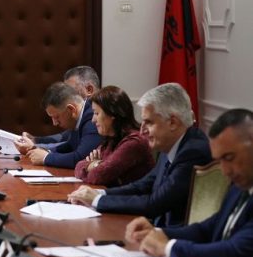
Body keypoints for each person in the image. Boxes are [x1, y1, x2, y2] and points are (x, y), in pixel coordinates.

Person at [125, 108, 253, 257]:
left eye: (229, 158)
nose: (225, 171)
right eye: (219, 161)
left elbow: (234, 252)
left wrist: (168, 247)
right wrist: (159, 233)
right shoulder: (240, 186)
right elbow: (209, 228)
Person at [68, 83, 211, 227]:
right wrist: (99, 194)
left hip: (173, 234)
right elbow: (142, 186)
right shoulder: (171, 144)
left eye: (149, 122)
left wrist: (96, 200)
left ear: (172, 122)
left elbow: (155, 203)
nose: (142, 131)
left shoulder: (193, 152)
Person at [73, 86, 154, 186]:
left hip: (131, 196)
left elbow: (98, 176)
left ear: (112, 114)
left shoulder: (134, 142)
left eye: (97, 113)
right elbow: (78, 166)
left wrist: (93, 166)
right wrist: (95, 164)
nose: (93, 120)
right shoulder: (111, 139)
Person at [15, 82, 101, 168]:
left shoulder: (92, 120)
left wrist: (46, 158)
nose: (54, 123)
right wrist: (39, 151)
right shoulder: (80, 116)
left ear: (71, 109)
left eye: (56, 117)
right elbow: (69, 146)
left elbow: (81, 158)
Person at [23, 65, 101, 149]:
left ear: (89, 90)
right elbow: (66, 138)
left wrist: (37, 147)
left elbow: (77, 153)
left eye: (70, 90)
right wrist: (36, 140)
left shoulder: (95, 117)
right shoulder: (81, 116)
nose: (65, 94)